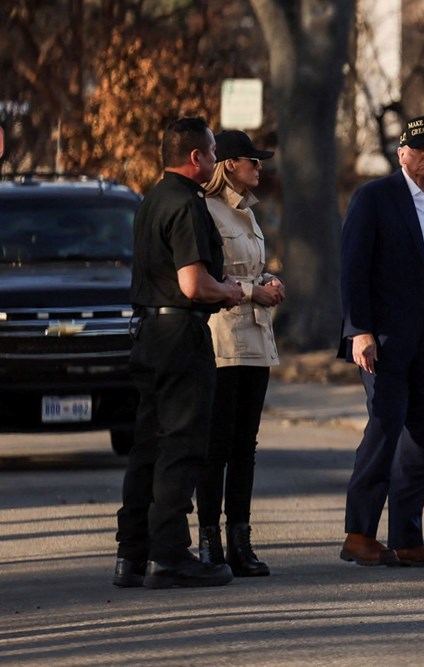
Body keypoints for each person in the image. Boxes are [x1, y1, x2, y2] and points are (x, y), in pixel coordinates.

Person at [338, 115, 424, 568]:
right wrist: (358, 329)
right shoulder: (375, 198)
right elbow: (353, 270)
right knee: (385, 427)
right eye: (419, 149)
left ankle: (407, 538)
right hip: (385, 334)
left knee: (421, 436)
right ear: (401, 154)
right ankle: (359, 533)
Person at [113, 116, 245, 589]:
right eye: (212, 153)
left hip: (147, 333)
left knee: (146, 443)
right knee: (183, 444)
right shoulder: (188, 204)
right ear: (196, 157)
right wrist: (229, 290)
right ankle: (169, 555)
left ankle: (131, 555)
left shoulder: (150, 199)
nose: (215, 161)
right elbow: (193, 283)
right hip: (180, 336)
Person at [195, 130, 284, 577]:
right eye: (253, 159)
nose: (259, 166)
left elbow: (245, 268)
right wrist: (253, 290)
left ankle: (240, 541)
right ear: (229, 164)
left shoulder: (248, 213)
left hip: (256, 339)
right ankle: (208, 539)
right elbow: (211, 278)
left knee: (245, 447)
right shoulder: (206, 211)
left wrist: (267, 280)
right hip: (223, 340)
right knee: (217, 446)